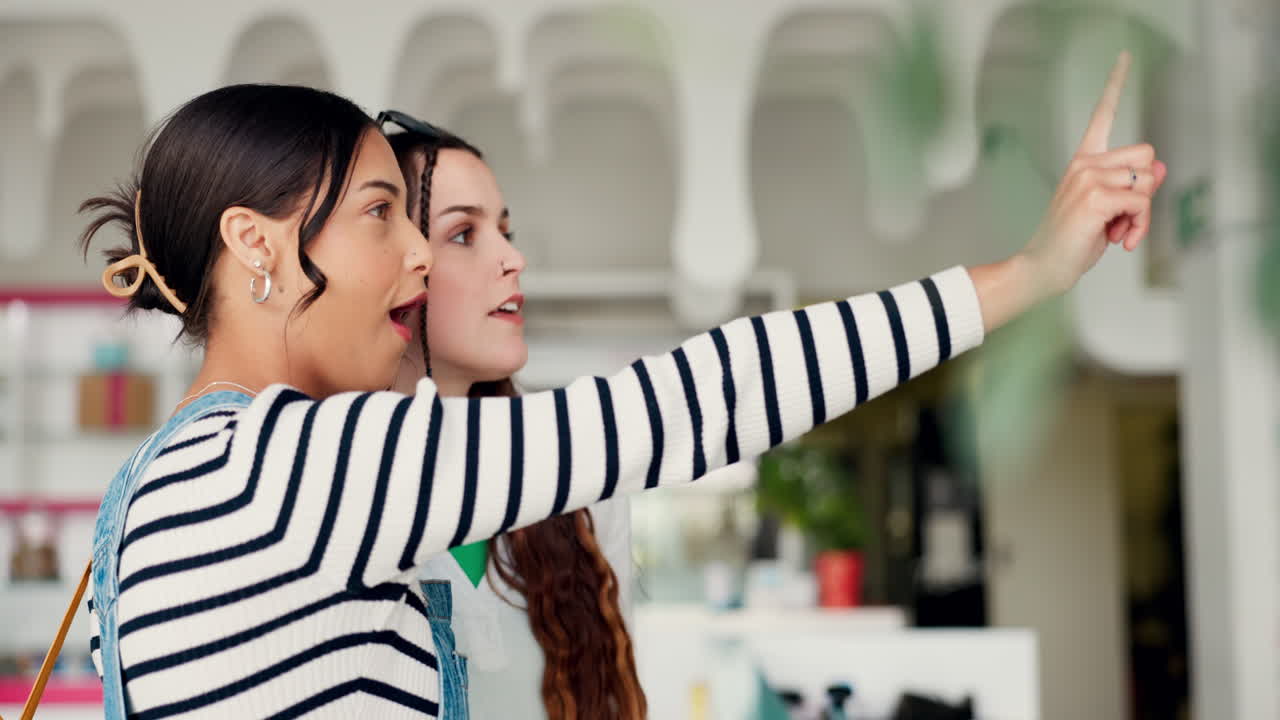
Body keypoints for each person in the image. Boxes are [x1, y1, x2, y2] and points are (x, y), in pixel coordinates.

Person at [80, 52, 1162, 718]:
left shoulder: (162, 490)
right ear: (255, 246)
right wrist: (1022, 275)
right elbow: (694, 398)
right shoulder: (287, 462)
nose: (417, 259)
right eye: (381, 214)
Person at [384, 122, 644, 719]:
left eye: (504, 231)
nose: (513, 258)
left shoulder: (576, 475)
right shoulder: (321, 481)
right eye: (463, 233)